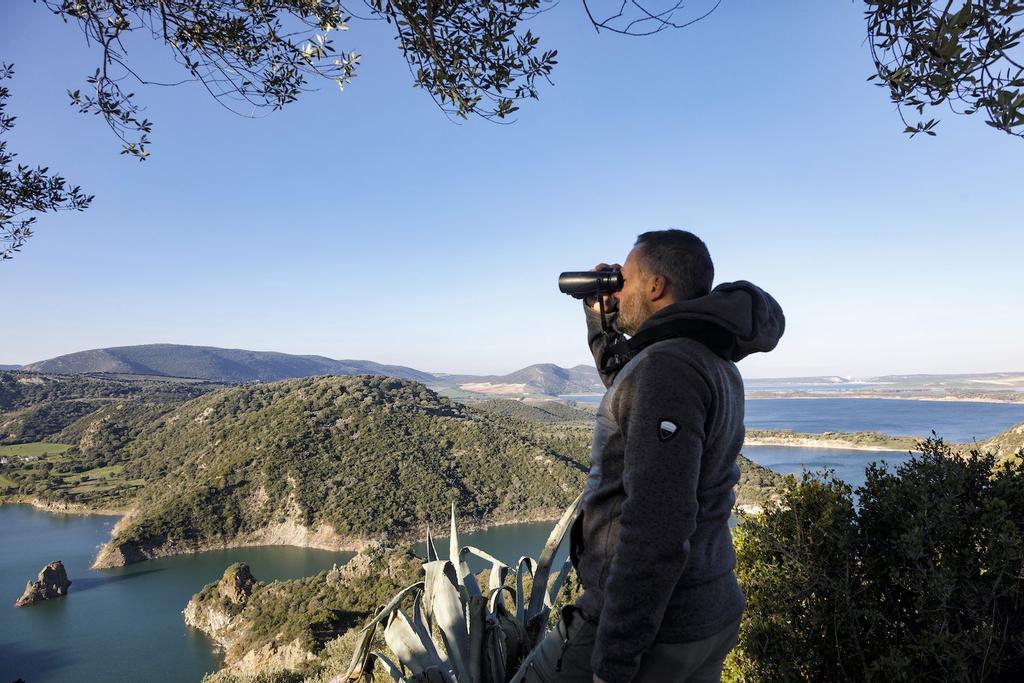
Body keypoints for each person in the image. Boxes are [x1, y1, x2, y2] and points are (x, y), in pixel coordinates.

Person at [520, 229, 785, 683]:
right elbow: (628, 386)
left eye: (623, 279)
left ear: (656, 286)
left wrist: (615, 661)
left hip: (655, 627)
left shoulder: (669, 368)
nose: (614, 289)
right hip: (702, 612)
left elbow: (657, 523)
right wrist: (599, 319)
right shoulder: (703, 359)